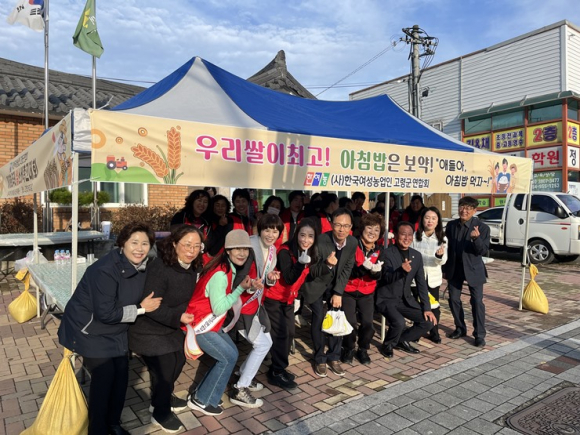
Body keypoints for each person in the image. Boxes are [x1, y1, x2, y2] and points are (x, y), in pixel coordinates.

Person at [58, 222, 161, 435]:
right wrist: (141, 309)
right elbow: (105, 313)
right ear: (122, 243)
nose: (139, 248)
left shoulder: (143, 266)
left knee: (121, 376)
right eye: (134, 242)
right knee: (104, 378)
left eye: (145, 243)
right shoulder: (104, 270)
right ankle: (97, 429)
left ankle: (113, 424)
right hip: (89, 330)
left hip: (116, 329)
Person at [129, 226, 204, 433]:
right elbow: (151, 307)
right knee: (166, 365)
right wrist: (177, 316)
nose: (191, 250)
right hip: (147, 328)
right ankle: (160, 412)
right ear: (174, 244)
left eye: (196, 246)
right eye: (187, 245)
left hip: (170, 327)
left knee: (179, 358)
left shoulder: (193, 267)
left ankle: (161, 397)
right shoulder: (160, 267)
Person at [185, 230, 262, 416]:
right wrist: (241, 289)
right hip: (200, 325)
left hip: (209, 322)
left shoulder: (226, 266)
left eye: (245, 249)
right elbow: (219, 308)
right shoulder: (221, 272)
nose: (242, 253)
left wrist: (247, 288)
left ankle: (205, 393)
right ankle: (202, 400)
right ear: (228, 250)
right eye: (237, 249)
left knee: (231, 353)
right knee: (227, 357)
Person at [264, 218, 326, 389]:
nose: (306, 239)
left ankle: (279, 368)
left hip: (289, 299)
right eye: (302, 235)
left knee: (290, 333)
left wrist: (327, 265)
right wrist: (300, 263)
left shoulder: (309, 253)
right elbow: (289, 277)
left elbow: (307, 276)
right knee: (281, 334)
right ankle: (276, 372)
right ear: (296, 234)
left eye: (310, 236)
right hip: (274, 298)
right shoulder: (285, 251)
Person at [228, 215, 282, 408]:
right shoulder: (249, 248)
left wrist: (270, 278)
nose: (271, 234)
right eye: (267, 230)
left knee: (266, 342)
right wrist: (251, 286)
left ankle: (243, 375)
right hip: (240, 305)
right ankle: (240, 388)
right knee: (262, 345)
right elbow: (238, 279)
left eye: (275, 231)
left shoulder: (272, 250)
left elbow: (263, 278)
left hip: (255, 305)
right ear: (260, 230)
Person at [302, 208, 357, 378]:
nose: (342, 229)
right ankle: (319, 358)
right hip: (316, 285)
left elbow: (347, 269)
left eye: (346, 226)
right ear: (332, 225)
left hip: (335, 286)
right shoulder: (320, 241)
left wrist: (338, 292)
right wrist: (327, 264)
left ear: (351, 227)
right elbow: (311, 271)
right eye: (338, 225)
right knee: (319, 318)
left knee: (336, 316)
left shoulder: (352, 242)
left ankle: (334, 357)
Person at [376, 221, 437, 358]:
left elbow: (421, 284)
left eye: (410, 235)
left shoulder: (416, 256)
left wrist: (427, 308)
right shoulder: (386, 253)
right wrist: (401, 271)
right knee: (399, 322)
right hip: (386, 298)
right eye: (403, 234)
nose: (407, 238)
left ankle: (401, 340)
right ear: (396, 235)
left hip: (405, 299)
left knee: (428, 321)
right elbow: (384, 278)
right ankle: (388, 345)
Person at [443, 196, 490, 347]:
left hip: (473, 269)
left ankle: (479, 334)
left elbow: (483, 251)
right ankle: (460, 328)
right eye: (462, 207)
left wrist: (476, 239)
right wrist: (444, 268)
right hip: (455, 268)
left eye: (468, 208)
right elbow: (447, 247)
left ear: (474, 211)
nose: (464, 211)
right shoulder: (451, 225)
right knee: (453, 299)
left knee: (476, 301)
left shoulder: (482, 228)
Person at [341, 213, 385, 365]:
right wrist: (363, 268)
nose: (372, 232)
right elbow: (348, 272)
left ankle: (363, 349)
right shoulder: (352, 245)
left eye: (377, 230)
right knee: (350, 323)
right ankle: (348, 348)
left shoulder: (379, 250)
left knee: (368, 324)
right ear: (362, 229)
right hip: (348, 290)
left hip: (367, 292)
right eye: (369, 228)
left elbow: (379, 275)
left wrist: (375, 272)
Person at [411, 207, 447, 344]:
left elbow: (443, 261)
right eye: (427, 218)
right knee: (417, 306)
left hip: (432, 278)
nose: (430, 221)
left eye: (433, 218)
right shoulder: (415, 236)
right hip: (416, 278)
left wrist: (439, 256)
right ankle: (417, 331)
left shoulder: (442, 238)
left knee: (434, 306)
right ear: (422, 220)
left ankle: (434, 332)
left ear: (438, 221)